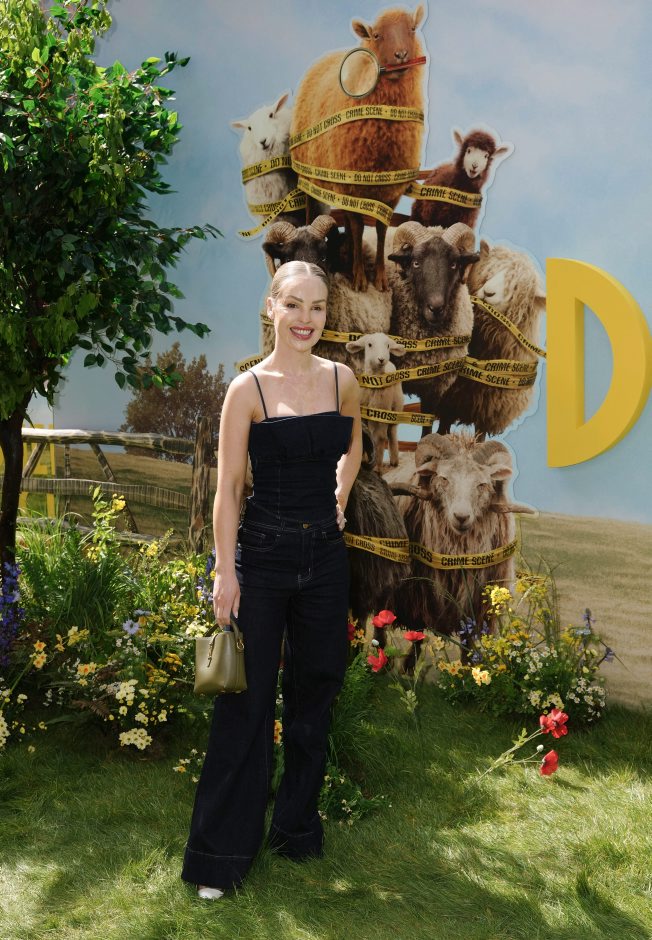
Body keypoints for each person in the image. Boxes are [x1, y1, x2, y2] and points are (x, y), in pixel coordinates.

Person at [181, 260, 362, 899]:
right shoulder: (247, 390)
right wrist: (224, 569)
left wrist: (339, 496)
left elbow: (354, 447)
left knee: (315, 694)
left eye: (317, 306)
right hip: (261, 559)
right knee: (246, 703)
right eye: (294, 304)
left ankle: (295, 829)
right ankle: (219, 858)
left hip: (326, 562)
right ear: (271, 308)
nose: (306, 319)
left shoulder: (342, 380)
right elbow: (229, 488)